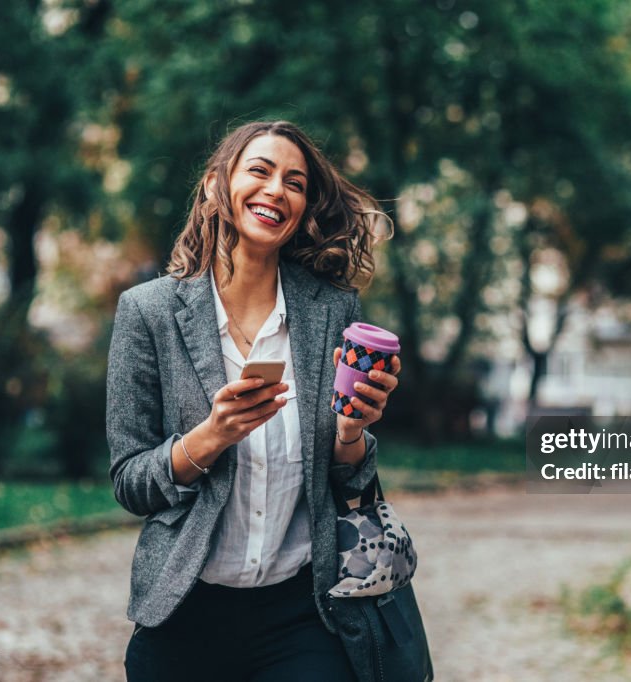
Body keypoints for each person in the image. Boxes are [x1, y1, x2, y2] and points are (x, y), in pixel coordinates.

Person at [106, 120, 399, 681]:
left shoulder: (333, 312)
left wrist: (353, 432)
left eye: (294, 182)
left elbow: (352, 483)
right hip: (187, 612)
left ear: (304, 207)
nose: (275, 191)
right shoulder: (148, 313)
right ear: (218, 186)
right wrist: (211, 435)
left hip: (303, 613)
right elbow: (130, 482)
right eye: (259, 171)